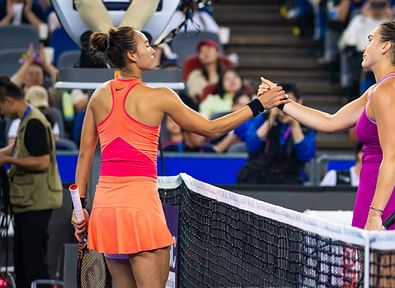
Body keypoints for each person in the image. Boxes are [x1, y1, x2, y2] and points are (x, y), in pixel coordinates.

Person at [70, 27, 288, 287]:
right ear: (131, 55)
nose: (152, 49)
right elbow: (210, 129)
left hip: (106, 209)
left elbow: (84, 155)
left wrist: (78, 207)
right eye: (146, 44)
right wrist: (259, 105)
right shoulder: (160, 96)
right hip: (140, 208)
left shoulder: (98, 96)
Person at [260, 20, 395, 231]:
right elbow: (331, 122)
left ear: (385, 47)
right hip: (381, 197)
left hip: (392, 201)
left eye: (370, 39)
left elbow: (393, 157)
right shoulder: (380, 90)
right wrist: (281, 101)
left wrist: (375, 214)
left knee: (382, 266)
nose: (365, 47)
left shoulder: (389, 91)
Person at [0, 76, 62, 288]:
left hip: (36, 203)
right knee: (22, 262)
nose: (2, 113)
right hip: (28, 202)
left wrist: (6, 159)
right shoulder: (26, 120)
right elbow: (20, 147)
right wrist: (4, 153)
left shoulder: (34, 121)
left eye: (1, 107)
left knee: (34, 264)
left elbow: (42, 162)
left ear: (8, 101)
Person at [237, 83, 316, 185]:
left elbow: (306, 155)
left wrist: (294, 125)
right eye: (280, 103)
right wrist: (271, 119)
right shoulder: (262, 118)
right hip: (259, 176)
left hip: (289, 178)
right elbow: (251, 146)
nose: (284, 108)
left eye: (288, 103)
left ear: (299, 102)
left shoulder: (305, 125)